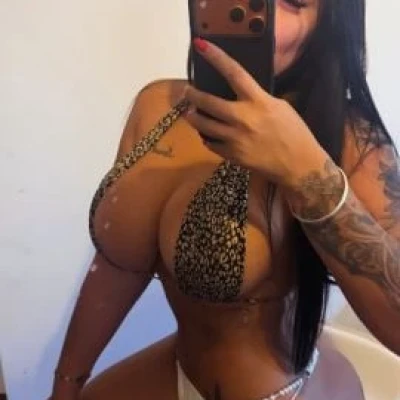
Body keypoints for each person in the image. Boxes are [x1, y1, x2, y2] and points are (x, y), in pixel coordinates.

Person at [49, 0, 400, 399]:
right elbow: (118, 267)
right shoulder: (157, 105)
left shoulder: (352, 141)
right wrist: (66, 382)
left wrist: (304, 171)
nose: (258, 14)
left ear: (327, 25)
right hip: (178, 369)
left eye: (290, 2)